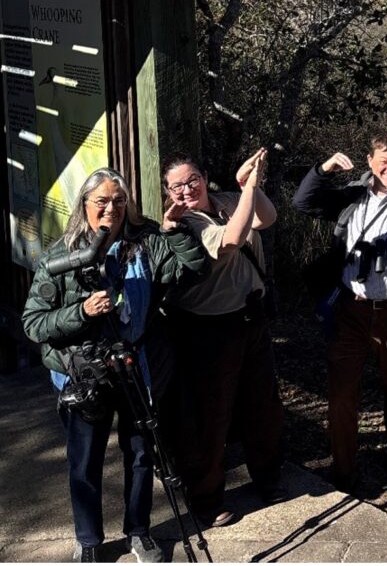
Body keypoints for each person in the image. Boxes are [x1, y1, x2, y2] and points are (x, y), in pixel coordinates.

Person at [22, 168, 207, 563]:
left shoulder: (147, 242)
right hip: (85, 371)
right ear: (84, 206)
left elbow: (194, 271)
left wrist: (175, 231)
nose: (111, 209)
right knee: (84, 460)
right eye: (101, 201)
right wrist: (81, 312)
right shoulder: (61, 255)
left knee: (141, 454)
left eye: (119, 201)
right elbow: (33, 323)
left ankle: (139, 532)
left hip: (134, 363)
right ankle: (88, 540)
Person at [291, 117, 387, 492]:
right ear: (369, 161)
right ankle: (344, 471)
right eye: (384, 160)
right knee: (342, 395)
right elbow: (304, 201)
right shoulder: (351, 196)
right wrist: (323, 168)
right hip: (351, 310)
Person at [162, 148, 285, 527]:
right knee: (211, 418)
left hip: (252, 320)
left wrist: (246, 187)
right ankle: (206, 499)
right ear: (167, 193)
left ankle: (268, 479)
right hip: (210, 331)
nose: (185, 190)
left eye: (192, 180)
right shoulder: (187, 223)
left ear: (204, 177)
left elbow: (267, 216)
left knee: (261, 406)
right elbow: (231, 240)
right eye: (176, 186)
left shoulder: (228, 201)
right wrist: (249, 184)